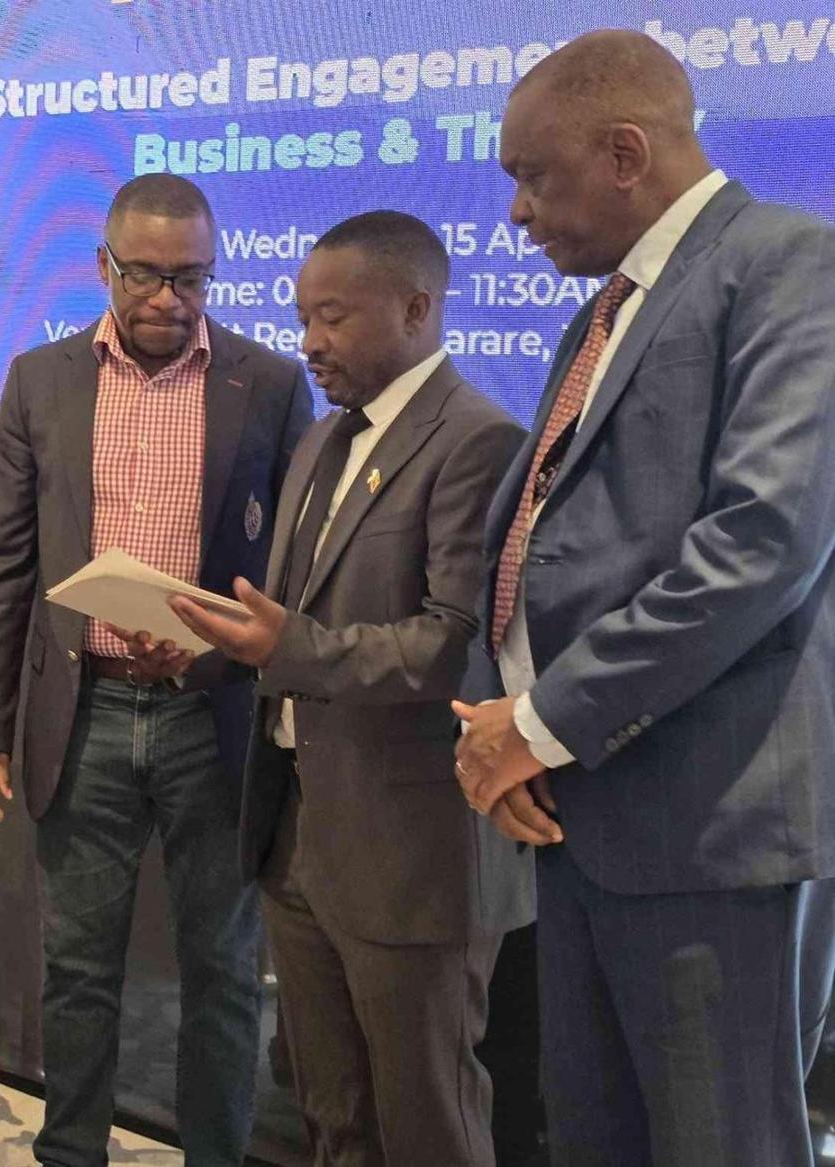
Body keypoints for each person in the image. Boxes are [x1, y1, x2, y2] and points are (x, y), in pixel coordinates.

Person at [453, 29, 835, 1167]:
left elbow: (761, 542)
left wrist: (537, 722)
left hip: (709, 830)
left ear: (625, 153)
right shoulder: (608, 306)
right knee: (592, 1139)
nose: (517, 212)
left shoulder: (789, 263)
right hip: (581, 814)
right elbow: (542, 534)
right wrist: (498, 725)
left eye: (533, 176)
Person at [0, 173, 314, 1167]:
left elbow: (298, 561)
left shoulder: (267, 383)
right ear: (102, 266)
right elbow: (2, 561)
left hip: (216, 718)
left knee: (223, 972)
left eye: (190, 278)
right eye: (146, 276)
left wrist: (216, 647)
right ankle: (70, 1153)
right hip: (86, 711)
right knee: (77, 970)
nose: (168, 299)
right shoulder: (40, 380)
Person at [171, 211, 531, 1166]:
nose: (309, 341)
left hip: (413, 852)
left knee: (427, 1122)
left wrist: (288, 647)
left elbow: (455, 646)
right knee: (331, 1116)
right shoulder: (324, 439)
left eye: (331, 317)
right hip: (299, 832)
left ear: (416, 309)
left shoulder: (479, 440)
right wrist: (207, 646)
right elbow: (295, 620)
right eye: (302, 317)